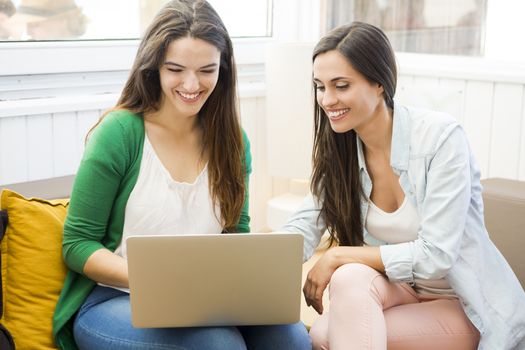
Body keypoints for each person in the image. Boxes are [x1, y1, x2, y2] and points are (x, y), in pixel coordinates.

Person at [52, 1, 311, 349]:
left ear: (223, 70)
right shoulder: (119, 134)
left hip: (207, 301)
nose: (192, 84)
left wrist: (247, 286)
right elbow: (77, 244)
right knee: (220, 344)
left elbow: (236, 234)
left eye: (207, 69)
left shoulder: (233, 142)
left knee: (290, 335)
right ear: (154, 67)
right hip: (113, 300)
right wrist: (160, 281)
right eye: (175, 68)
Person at [282, 22, 525, 350]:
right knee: (348, 278)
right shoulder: (341, 151)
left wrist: (338, 254)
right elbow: (306, 222)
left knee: (328, 333)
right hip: (400, 292)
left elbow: (436, 255)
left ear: (380, 82)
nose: (327, 100)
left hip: (462, 302)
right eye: (320, 86)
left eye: (341, 85)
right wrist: (259, 258)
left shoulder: (441, 139)